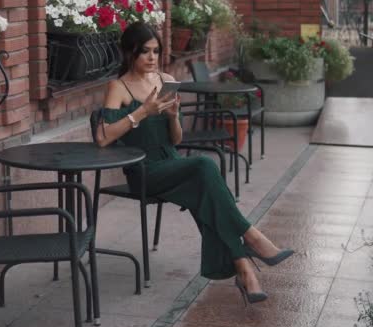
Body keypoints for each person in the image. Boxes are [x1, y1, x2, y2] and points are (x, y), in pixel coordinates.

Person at [95, 22, 294, 305]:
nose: (152, 58)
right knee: (204, 167)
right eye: (144, 52)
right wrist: (143, 111)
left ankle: (244, 267)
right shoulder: (118, 87)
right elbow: (103, 138)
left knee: (207, 194)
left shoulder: (163, 79)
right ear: (129, 53)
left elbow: (175, 141)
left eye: (156, 51)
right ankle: (250, 236)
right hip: (144, 170)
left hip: (171, 162)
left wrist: (173, 116)